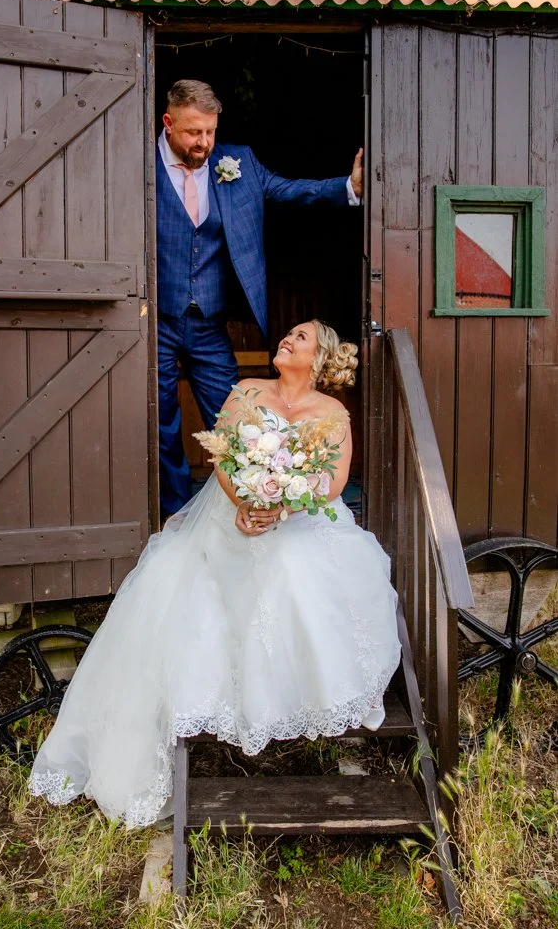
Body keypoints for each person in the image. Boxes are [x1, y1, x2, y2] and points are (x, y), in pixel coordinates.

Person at [29, 320, 401, 828]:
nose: (287, 340)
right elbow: (223, 454)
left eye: (300, 338)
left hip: (298, 520)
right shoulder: (247, 391)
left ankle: (301, 691)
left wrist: (280, 508)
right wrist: (245, 504)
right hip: (232, 515)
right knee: (178, 572)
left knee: (293, 567)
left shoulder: (332, 412)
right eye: (288, 334)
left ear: (318, 358)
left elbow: (332, 480)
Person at [157, 79, 364, 519]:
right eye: (194, 132)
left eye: (211, 131)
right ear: (168, 123)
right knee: (161, 423)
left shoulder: (239, 163)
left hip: (209, 322)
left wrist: (348, 186)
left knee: (240, 419)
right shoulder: (137, 160)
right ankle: (177, 516)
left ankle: (253, 500)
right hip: (153, 317)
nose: (205, 142)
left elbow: (290, 191)